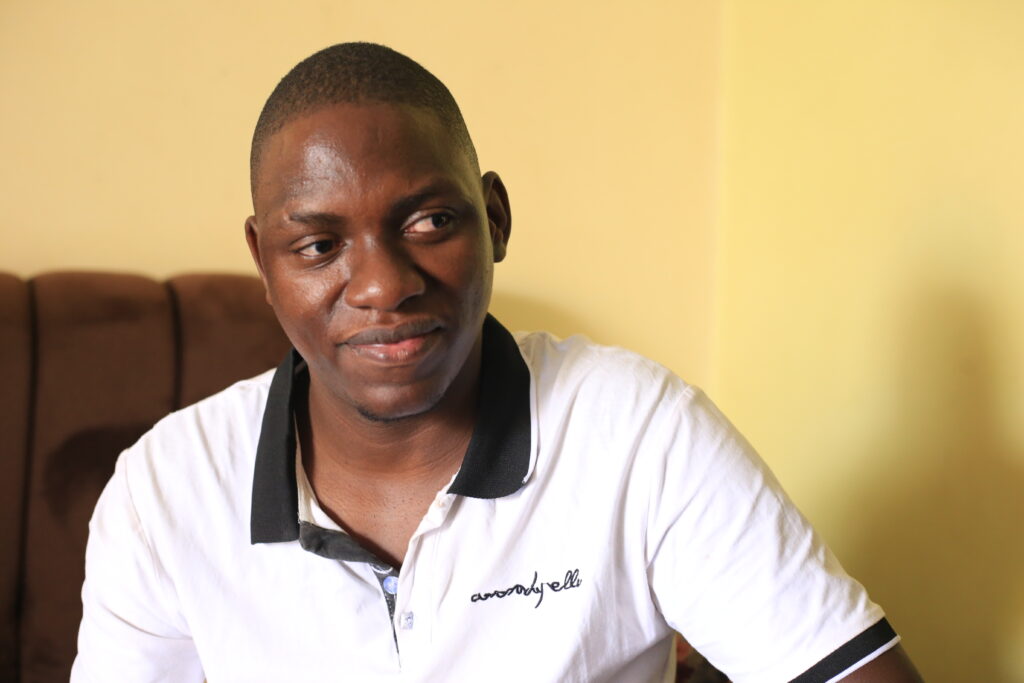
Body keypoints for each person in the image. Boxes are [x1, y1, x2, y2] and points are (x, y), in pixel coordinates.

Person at [72, 43, 923, 682]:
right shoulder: (163, 494)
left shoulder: (637, 434)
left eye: (428, 222)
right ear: (265, 263)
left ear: (496, 218)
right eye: (320, 244)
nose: (381, 285)